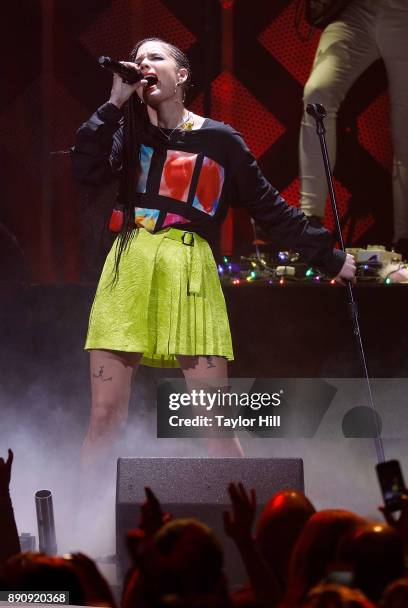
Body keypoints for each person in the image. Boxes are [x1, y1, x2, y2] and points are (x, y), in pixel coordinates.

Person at [71, 37, 356, 463]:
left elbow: (269, 207)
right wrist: (114, 103)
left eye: (155, 57)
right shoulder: (127, 131)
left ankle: (245, 523)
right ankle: (77, 526)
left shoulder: (220, 141)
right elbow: (85, 167)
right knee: (104, 417)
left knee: (214, 421)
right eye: (139, 58)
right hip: (128, 270)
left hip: (189, 273)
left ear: (181, 74)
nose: (143, 63)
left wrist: (328, 255)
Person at [300, 0, 408, 257]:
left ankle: (405, 238)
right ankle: (309, 222)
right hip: (356, 11)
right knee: (317, 95)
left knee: (405, 124)